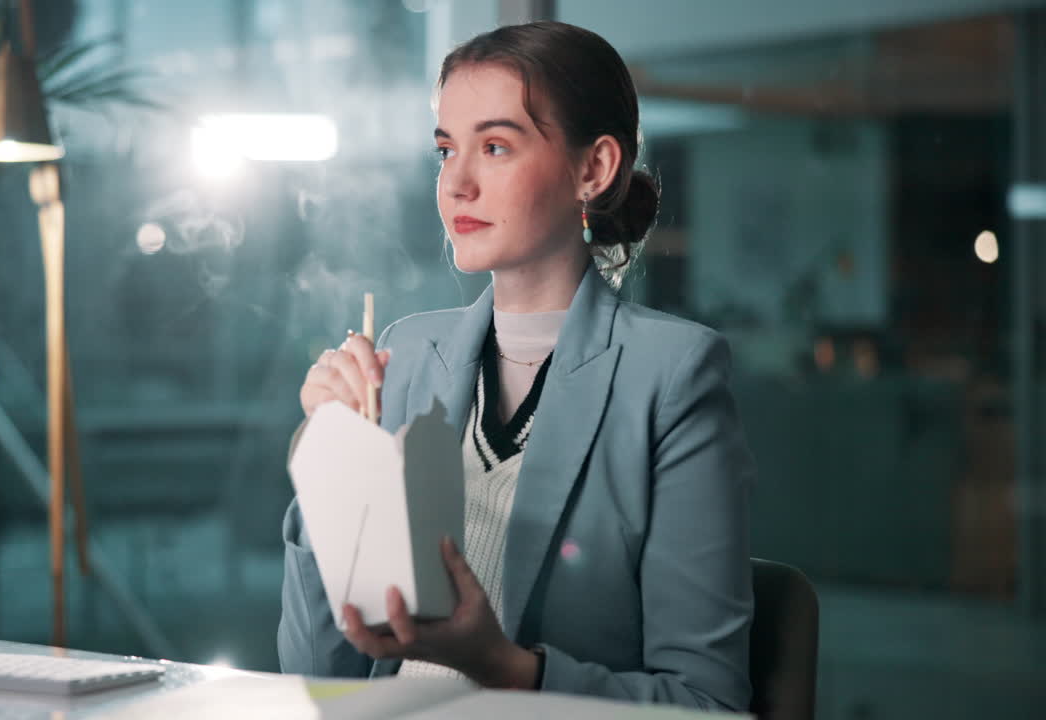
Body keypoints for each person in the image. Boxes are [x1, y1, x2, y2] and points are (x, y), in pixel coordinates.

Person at [278, 20, 755, 712]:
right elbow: (317, 669)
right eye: (446, 150)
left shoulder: (672, 377)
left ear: (593, 169)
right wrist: (325, 457)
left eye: (495, 146)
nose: (457, 184)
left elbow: (705, 705)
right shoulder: (406, 357)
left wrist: (500, 663)